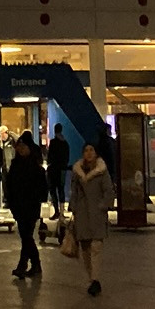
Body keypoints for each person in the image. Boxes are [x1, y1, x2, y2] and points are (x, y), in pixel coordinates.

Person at [69, 141, 115, 298]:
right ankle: (91, 278)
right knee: (86, 249)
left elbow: (109, 191)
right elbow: (74, 191)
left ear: (96, 153)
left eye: (91, 150)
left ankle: (95, 279)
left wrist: (102, 206)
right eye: (86, 150)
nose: (88, 153)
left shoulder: (101, 171)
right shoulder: (77, 172)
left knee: (96, 246)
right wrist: (73, 208)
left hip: (96, 214)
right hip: (82, 214)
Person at [5, 132, 47, 280]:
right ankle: (35, 264)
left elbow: (42, 188)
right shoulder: (16, 165)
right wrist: (10, 202)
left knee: (26, 236)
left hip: (31, 206)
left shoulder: (35, 167)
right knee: (26, 236)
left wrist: (37, 200)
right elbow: (9, 185)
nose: (21, 149)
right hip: (18, 207)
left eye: (23, 146)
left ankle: (23, 265)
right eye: (19, 146)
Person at [46, 123, 71, 219]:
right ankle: (62, 212)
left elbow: (50, 156)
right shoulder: (65, 143)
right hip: (63, 170)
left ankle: (56, 211)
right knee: (61, 190)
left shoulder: (53, 142)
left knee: (53, 190)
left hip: (54, 170)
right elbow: (67, 157)